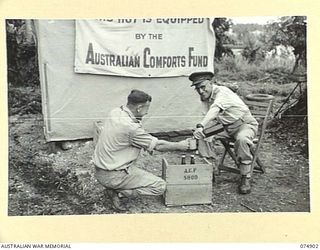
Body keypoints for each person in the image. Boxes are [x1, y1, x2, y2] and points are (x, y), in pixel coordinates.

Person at [93, 89, 191, 212]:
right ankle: (119, 193)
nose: (147, 112)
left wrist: (143, 143)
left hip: (101, 169)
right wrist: (180, 145)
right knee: (159, 186)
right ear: (139, 108)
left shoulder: (116, 112)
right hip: (113, 175)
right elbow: (158, 145)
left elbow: (125, 137)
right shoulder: (131, 128)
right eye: (146, 108)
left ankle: (116, 186)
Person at [190, 71, 258, 194]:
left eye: (203, 87)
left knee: (242, 139)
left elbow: (215, 109)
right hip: (224, 127)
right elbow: (208, 116)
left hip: (244, 124)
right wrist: (201, 130)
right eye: (197, 88)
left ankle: (245, 177)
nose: (200, 91)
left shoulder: (222, 92)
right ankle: (211, 169)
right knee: (203, 136)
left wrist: (201, 125)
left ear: (211, 83)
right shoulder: (205, 97)